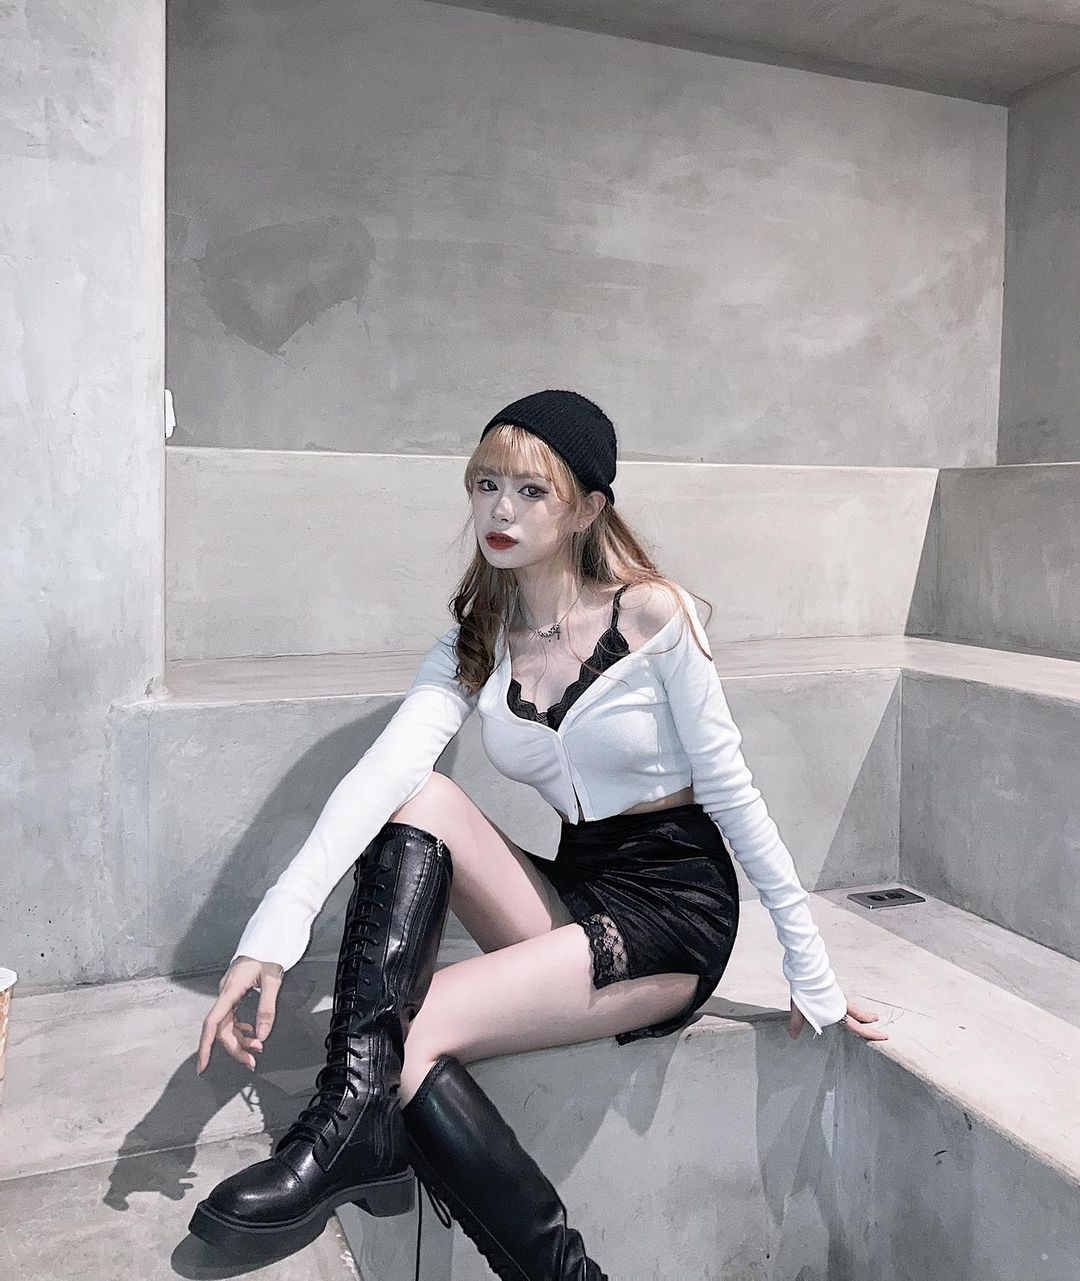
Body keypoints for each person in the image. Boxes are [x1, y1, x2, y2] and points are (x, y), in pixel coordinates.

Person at [188, 389, 888, 1279]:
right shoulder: (476, 640)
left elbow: (733, 791)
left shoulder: (654, 616)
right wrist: (272, 936)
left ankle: (538, 1255)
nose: (501, 511)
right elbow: (380, 778)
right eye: (486, 485)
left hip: (674, 909)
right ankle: (355, 1118)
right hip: (579, 885)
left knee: (407, 1029)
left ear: (586, 508)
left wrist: (808, 960)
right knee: (419, 796)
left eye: (530, 491)